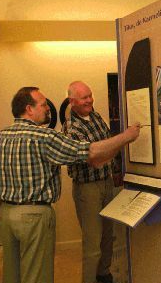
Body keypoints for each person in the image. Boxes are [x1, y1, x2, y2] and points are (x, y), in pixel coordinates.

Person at [0, 86, 140, 283]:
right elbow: (90, 153)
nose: (47, 109)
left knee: (12, 275)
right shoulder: (43, 137)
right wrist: (127, 137)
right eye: (43, 105)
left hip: (6, 214)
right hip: (34, 217)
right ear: (29, 109)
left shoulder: (0, 137)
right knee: (36, 275)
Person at [62, 81, 120, 283]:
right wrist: (115, 145)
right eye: (84, 97)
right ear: (72, 101)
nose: (89, 100)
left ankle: (104, 275)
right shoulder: (71, 127)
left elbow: (108, 148)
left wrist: (107, 151)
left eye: (90, 95)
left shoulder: (96, 116)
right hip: (87, 190)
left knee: (107, 237)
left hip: (106, 183)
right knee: (93, 244)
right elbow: (93, 159)